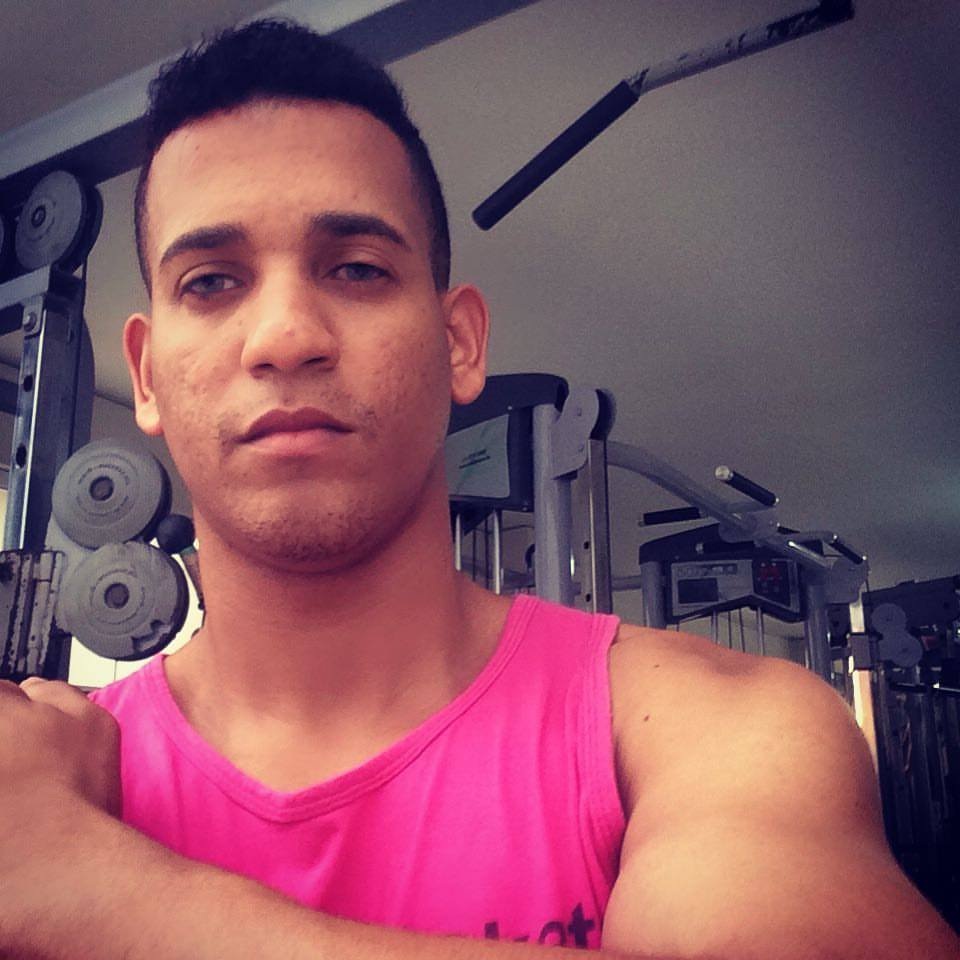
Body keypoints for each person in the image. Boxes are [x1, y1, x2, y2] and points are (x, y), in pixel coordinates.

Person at [0, 19, 956, 960]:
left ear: (459, 344)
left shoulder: (721, 730)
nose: (285, 336)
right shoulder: (44, 781)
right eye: (211, 283)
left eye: (357, 268)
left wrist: (93, 893)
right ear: (148, 375)